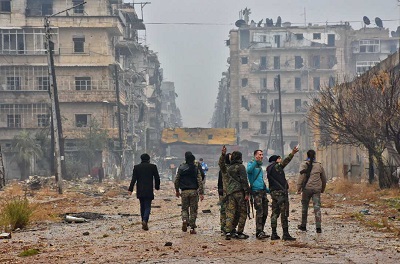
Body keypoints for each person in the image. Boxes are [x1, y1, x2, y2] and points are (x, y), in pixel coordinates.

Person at [266, 146, 299, 241]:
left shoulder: (269, 168)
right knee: (284, 212)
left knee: (275, 213)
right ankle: (285, 234)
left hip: (273, 192)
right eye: (279, 158)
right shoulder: (277, 166)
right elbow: (286, 161)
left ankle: (274, 233)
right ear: (276, 160)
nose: (281, 160)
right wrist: (292, 153)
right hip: (280, 193)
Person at [297, 149, 327, 233]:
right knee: (317, 208)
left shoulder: (304, 164)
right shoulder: (319, 165)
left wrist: (298, 188)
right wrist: (322, 189)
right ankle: (318, 227)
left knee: (304, 207)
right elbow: (324, 178)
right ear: (314, 156)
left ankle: (303, 225)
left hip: (307, 189)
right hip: (317, 189)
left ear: (307, 155)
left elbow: (301, 177)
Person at [128, 153, 160, 231]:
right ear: (149, 159)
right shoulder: (153, 167)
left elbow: (133, 179)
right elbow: (157, 178)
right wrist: (157, 187)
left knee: (142, 206)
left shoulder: (137, 167)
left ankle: (143, 221)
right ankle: (145, 220)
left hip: (140, 190)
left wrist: (130, 189)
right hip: (149, 190)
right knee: (148, 206)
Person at [223, 151, 251, 240]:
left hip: (230, 193)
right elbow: (244, 180)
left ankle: (228, 231)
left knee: (230, 212)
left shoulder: (229, 168)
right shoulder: (241, 167)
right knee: (243, 212)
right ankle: (240, 232)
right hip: (240, 192)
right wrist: (247, 193)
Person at [175, 153, 204, 234]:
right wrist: (201, 193)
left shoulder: (181, 168)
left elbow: (176, 180)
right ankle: (192, 228)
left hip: (184, 192)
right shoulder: (195, 168)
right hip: (194, 191)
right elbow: (200, 181)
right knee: (193, 210)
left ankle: (184, 219)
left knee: (184, 208)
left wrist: (177, 190)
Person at [247, 149, 270, 239]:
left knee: (265, 212)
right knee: (259, 211)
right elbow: (248, 171)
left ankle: (262, 230)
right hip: (256, 192)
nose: (262, 156)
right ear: (255, 155)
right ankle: (259, 232)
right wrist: (255, 161)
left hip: (263, 191)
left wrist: (268, 190)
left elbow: (261, 181)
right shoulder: (251, 164)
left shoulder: (260, 167)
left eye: (262, 154)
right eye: (260, 154)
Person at [217, 146, 231, 235]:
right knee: (223, 210)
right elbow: (220, 181)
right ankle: (223, 227)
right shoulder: (224, 169)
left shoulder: (234, 168)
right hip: (224, 192)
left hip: (231, 192)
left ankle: (229, 227)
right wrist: (223, 154)